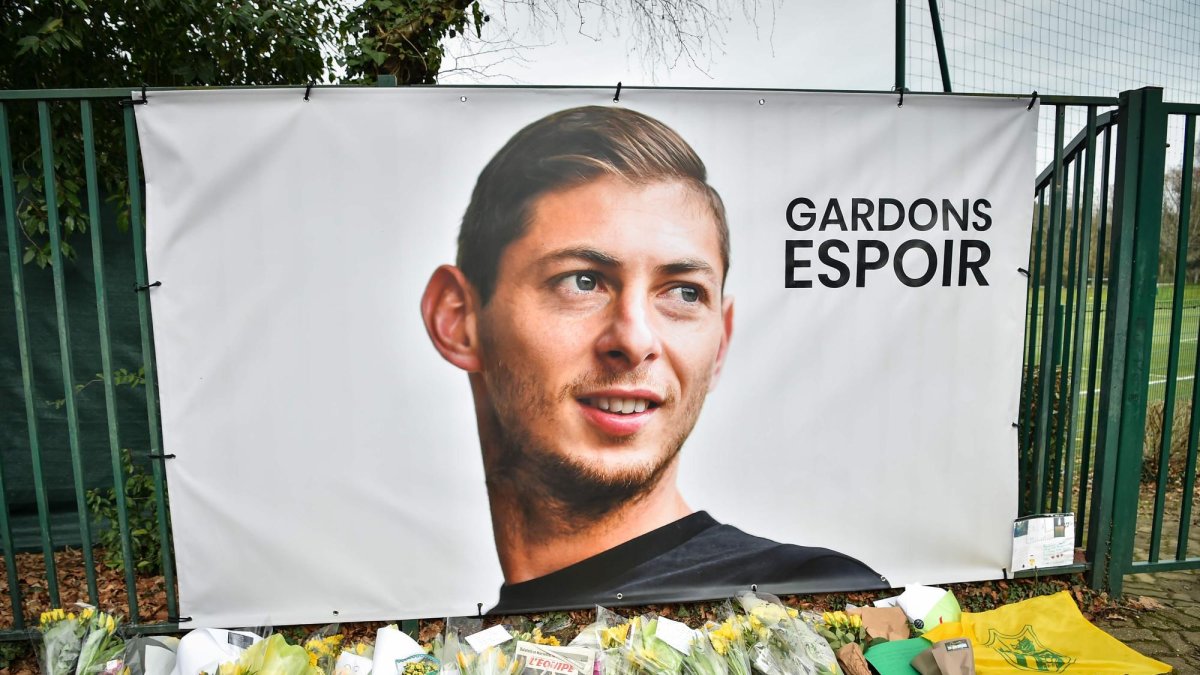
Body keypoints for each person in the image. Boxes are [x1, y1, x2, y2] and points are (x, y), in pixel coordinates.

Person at [420, 105, 887, 613]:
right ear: (458, 318)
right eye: (582, 281)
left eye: (684, 293)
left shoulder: (812, 601)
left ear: (720, 343)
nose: (636, 339)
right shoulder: (455, 649)